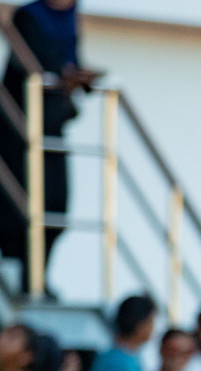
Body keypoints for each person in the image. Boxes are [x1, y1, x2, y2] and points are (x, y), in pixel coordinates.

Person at [0, 0, 101, 290]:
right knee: (18, 207)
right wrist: (64, 76)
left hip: (52, 129)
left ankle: (36, 278)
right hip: (20, 129)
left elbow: (71, 64)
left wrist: (80, 78)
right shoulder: (29, 16)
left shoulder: (71, 17)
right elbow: (33, 64)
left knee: (56, 207)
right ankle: (21, 276)